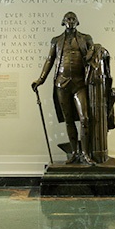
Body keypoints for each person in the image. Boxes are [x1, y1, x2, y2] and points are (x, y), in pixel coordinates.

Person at [32, 12, 95, 165]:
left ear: (77, 21)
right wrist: (40, 80)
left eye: (73, 18)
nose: (71, 21)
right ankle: (74, 152)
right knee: (68, 120)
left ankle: (86, 153)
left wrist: (91, 52)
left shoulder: (85, 38)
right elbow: (49, 61)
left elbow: (93, 53)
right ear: (63, 22)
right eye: (68, 19)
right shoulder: (56, 41)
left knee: (85, 118)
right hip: (62, 83)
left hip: (80, 83)